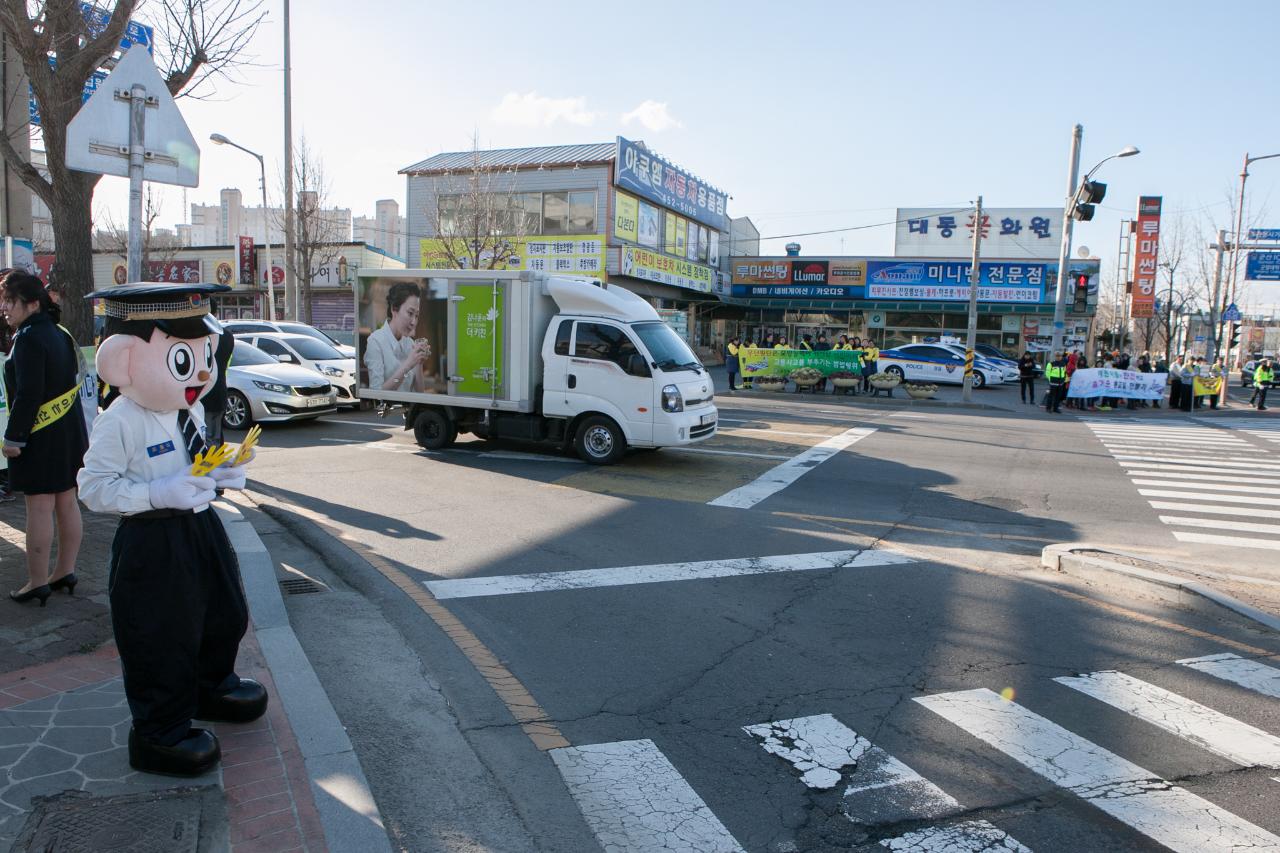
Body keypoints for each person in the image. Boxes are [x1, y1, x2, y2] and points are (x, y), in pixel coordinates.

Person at [77, 282, 265, 778]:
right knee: (161, 633)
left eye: (206, 355)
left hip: (201, 527)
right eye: (186, 359)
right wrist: (156, 494)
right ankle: (158, 733)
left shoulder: (188, 406)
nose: (203, 371)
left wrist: (218, 472)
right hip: (152, 542)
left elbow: (191, 461)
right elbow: (92, 489)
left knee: (223, 611)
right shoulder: (121, 419)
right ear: (123, 361)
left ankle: (211, 685)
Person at [1, 270, 89, 606]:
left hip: (39, 438)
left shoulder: (27, 338)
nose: (5, 308)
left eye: (11, 302)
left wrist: (14, 439)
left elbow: (28, 395)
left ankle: (37, 581)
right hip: (68, 434)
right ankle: (64, 571)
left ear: (33, 304)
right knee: (67, 503)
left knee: (39, 508)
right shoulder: (59, 333)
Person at [365, 281, 429, 393]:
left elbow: (420, 394)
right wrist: (408, 364)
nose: (414, 322)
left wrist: (419, 363)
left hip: (408, 410)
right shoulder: (375, 341)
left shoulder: (410, 344)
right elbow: (376, 393)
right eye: (410, 313)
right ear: (394, 309)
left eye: (417, 315)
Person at [201, 303, 234, 446]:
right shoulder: (227, 335)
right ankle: (218, 464)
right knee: (217, 434)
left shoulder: (202, 336)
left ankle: (211, 466)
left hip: (204, 392)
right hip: (221, 389)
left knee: (206, 437)